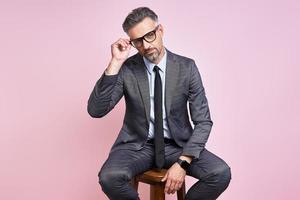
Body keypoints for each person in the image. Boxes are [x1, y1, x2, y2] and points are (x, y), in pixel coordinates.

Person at [87, 7, 231, 200]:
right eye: (138, 41)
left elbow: (203, 121)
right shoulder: (127, 69)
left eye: (150, 35)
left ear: (160, 30)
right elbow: (96, 110)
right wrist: (115, 62)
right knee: (109, 177)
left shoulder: (187, 68)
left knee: (220, 173)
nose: (146, 45)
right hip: (137, 146)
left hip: (177, 145)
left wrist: (183, 162)